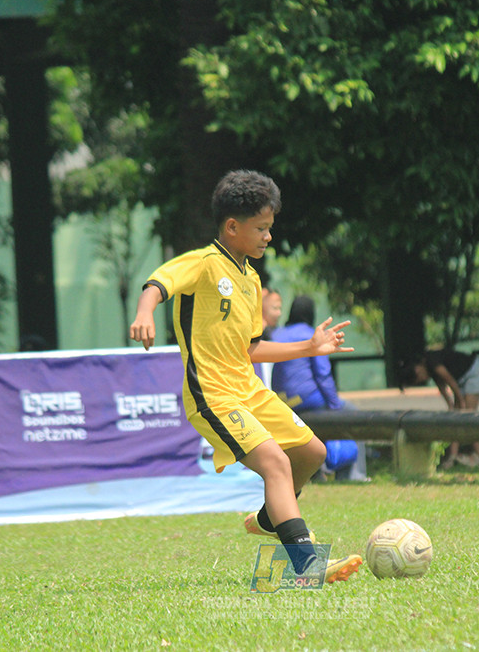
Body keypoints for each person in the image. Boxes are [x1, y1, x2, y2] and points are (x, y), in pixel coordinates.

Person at [129, 169, 362, 583]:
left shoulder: (252, 280)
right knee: (275, 463)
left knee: (312, 453)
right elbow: (158, 283)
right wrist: (145, 311)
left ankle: (270, 518)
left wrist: (308, 348)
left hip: (249, 389)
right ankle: (306, 567)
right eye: (261, 228)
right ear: (232, 226)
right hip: (212, 395)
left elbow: (251, 349)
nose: (268, 237)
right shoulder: (202, 264)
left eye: (270, 228)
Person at [271, 295, 366, 481]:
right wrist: (334, 407)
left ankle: (316, 476)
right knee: (354, 415)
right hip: (309, 401)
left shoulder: (277, 334)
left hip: (283, 403)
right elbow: (323, 375)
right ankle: (355, 475)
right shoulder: (311, 335)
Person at [397, 348, 479, 468]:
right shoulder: (430, 369)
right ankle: (453, 456)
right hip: (461, 379)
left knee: (469, 416)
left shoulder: (432, 362)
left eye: (419, 377)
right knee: (456, 418)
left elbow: (450, 382)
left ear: (417, 369)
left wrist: (460, 401)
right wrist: (451, 406)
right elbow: (442, 387)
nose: (423, 380)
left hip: (473, 373)